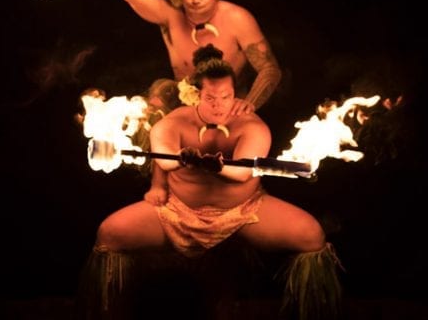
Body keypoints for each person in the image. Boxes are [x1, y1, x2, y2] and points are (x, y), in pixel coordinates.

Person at [76, 45, 342, 320]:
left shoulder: (252, 126)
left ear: (235, 95)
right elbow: (165, 162)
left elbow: (241, 174)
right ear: (195, 95)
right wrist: (181, 159)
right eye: (211, 98)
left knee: (311, 234)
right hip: (176, 211)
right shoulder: (173, 122)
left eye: (226, 97)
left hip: (243, 211)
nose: (219, 105)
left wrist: (216, 167)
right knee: (109, 233)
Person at [115, 0, 283, 205]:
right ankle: (159, 184)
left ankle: (241, 195)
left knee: (241, 153)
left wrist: (250, 103)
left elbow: (270, 69)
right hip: (184, 110)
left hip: (229, 106)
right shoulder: (171, 16)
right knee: (160, 94)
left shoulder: (237, 18)